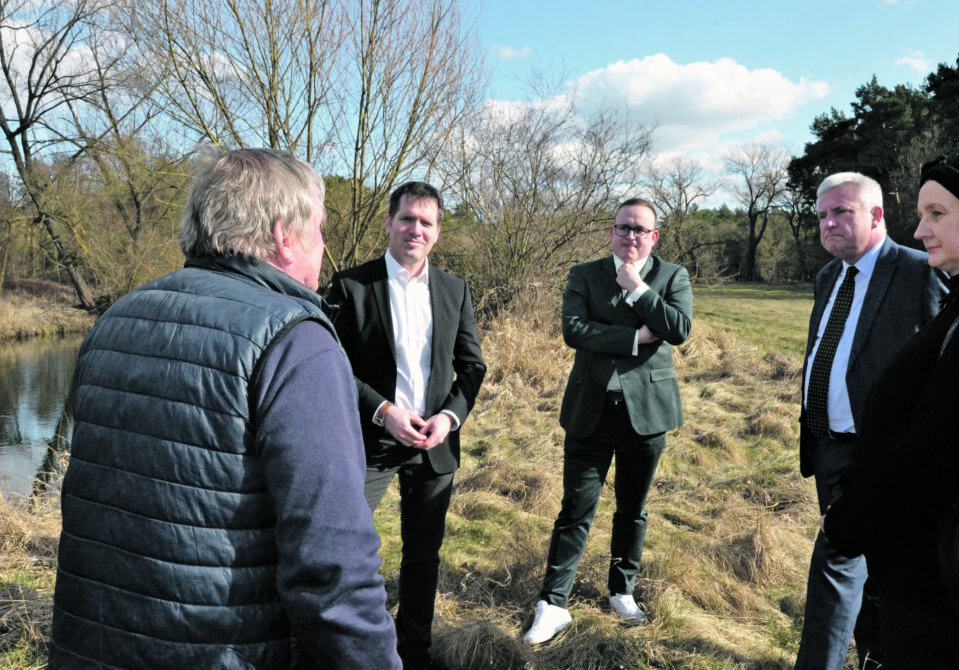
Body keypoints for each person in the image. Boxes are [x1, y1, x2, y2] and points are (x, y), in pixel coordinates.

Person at [49, 148, 401, 669]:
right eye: (319, 230)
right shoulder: (296, 342)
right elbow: (332, 567)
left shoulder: (114, 322)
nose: (324, 249)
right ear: (285, 234)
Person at [823, 152, 959, 669]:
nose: (918, 230)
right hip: (914, 569)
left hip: (942, 581)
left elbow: (942, 466)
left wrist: (849, 521)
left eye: (937, 213)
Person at [324, 181, 487, 670]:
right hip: (368, 440)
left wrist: (448, 417)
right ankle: (345, 642)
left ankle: (413, 650)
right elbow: (331, 364)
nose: (415, 229)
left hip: (432, 444)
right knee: (343, 546)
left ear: (437, 232)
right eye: (407, 219)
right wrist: (383, 410)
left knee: (423, 556)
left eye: (426, 222)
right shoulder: (351, 286)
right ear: (390, 222)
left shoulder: (455, 290)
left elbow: (472, 367)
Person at [522, 198, 692, 645]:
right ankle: (554, 604)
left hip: (647, 415)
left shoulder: (671, 276)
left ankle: (622, 590)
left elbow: (678, 328)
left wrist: (637, 289)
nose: (630, 236)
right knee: (575, 509)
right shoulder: (584, 273)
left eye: (640, 229)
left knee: (632, 509)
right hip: (590, 411)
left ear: (654, 236)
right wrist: (635, 336)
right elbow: (573, 330)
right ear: (611, 231)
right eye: (622, 228)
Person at [795, 172, 947, 670]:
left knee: (839, 565)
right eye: (821, 215)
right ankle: (874, 656)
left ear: (877, 215)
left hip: (882, 454)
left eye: (841, 212)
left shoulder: (920, 271)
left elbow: (943, 369)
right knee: (863, 568)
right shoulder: (828, 276)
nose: (828, 223)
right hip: (829, 447)